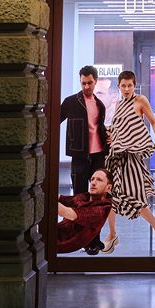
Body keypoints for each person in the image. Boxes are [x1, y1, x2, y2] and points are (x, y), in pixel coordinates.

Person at [103, 70, 155, 251]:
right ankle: (112, 235)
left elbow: (153, 121)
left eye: (130, 85)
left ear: (134, 85)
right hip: (116, 157)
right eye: (123, 85)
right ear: (118, 86)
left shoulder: (140, 100)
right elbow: (118, 128)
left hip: (131, 157)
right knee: (109, 196)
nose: (126, 88)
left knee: (134, 197)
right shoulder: (118, 104)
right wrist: (111, 134)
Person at [58, 66, 109, 252]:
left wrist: (107, 137)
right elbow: (54, 121)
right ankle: (78, 240)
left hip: (98, 156)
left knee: (97, 201)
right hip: (79, 156)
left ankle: (93, 240)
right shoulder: (71, 102)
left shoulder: (100, 105)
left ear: (95, 81)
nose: (87, 86)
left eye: (90, 82)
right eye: (83, 83)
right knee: (80, 198)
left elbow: (98, 129)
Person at [53, 169, 114, 255]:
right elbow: (62, 198)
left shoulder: (101, 210)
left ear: (108, 188)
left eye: (99, 180)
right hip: (53, 231)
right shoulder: (85, 196)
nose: (93, 183)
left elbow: (66, 212)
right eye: (92, 179)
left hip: (57, 242)